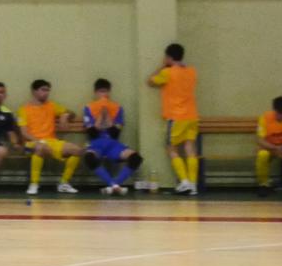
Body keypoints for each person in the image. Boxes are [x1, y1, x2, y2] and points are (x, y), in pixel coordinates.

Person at [148, 43, 201, 195]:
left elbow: (150, 81)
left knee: (171, 148)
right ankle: (193, 184)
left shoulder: (167, 72)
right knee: (190, 147)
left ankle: (184, 182)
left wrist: (162, 66)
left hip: (176, 116)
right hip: (192, 115)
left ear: (169, 57)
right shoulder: (192, 71)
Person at [17, 79, 83, 196]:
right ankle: (34, 183)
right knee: (40, 147)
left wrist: (65, 115)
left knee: (77, 150)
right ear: (34, 91)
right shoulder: (24, 109)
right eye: (43, 90)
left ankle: (64, 183)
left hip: (51, 141)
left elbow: (72, 114)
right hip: (31, 143)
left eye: (48, 90)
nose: (46, 93)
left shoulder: (52, 106)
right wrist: (39, 141)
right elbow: (24, 133)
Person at [81, 79, 144, 196]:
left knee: (136, 158)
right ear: (95, 93)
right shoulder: (88, 108)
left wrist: (108, 115)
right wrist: (101, 114)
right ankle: (114, 185)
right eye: (101, 92)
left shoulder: (117, 108)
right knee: (89, 157)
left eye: (106, 91)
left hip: (113, 145)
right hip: (97, 144)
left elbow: (115, 133)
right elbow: (92, 133)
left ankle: (114, 185)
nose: (103, 95)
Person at [256, 96, 282, 196]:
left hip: (281, 148)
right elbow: (260, 140)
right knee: (262, 155)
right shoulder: (265, 118)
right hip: (269, 147)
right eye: (279, 113)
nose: (281, 116)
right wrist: (275, 148)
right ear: (274, 110)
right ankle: (264, 185)